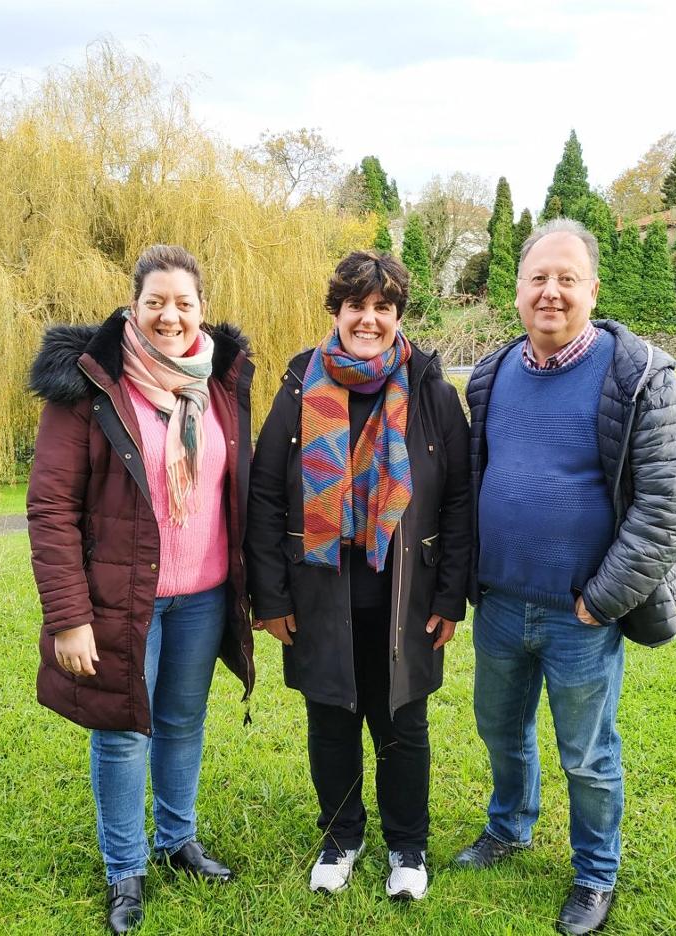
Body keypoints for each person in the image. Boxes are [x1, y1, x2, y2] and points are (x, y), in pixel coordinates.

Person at [455, 219, 676, 935]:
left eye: (567, 278)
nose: (551, 292)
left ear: (593, 288)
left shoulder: (642, 376)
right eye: (538, 278)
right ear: (519, 290)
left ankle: (595, 873)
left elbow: (666, 506)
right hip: (500, 602)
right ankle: (508, 827)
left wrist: (600, 602)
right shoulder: (491, 375)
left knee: (588, 755)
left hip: (581, 614)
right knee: (501, 732)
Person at [26, 244, 255, 933]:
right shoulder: (90, 387)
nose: (170, 315)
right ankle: (124, 868)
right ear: (133, 307)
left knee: (182, 723)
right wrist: (69, 617)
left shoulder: (219, 383)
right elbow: (51, 508)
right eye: (156, 301)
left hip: (205, 594)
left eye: (184, 302)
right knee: (123, 730)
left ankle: (177, 839)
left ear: (202, 311)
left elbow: (236, 489)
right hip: (121, 601)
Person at [246, 251, 470, 901]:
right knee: (332, 719)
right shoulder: (299, 386)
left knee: (404, 722)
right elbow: (265, 496)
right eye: (356, 307)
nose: (368, 319)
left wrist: (452, 596)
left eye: (383, 308)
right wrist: (270, 596)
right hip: (320, 591)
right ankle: (341, 836)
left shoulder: (431, 390)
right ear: (337, 311)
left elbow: (458, 499)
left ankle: (408, 845)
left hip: (408, 593)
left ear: (398, 314)